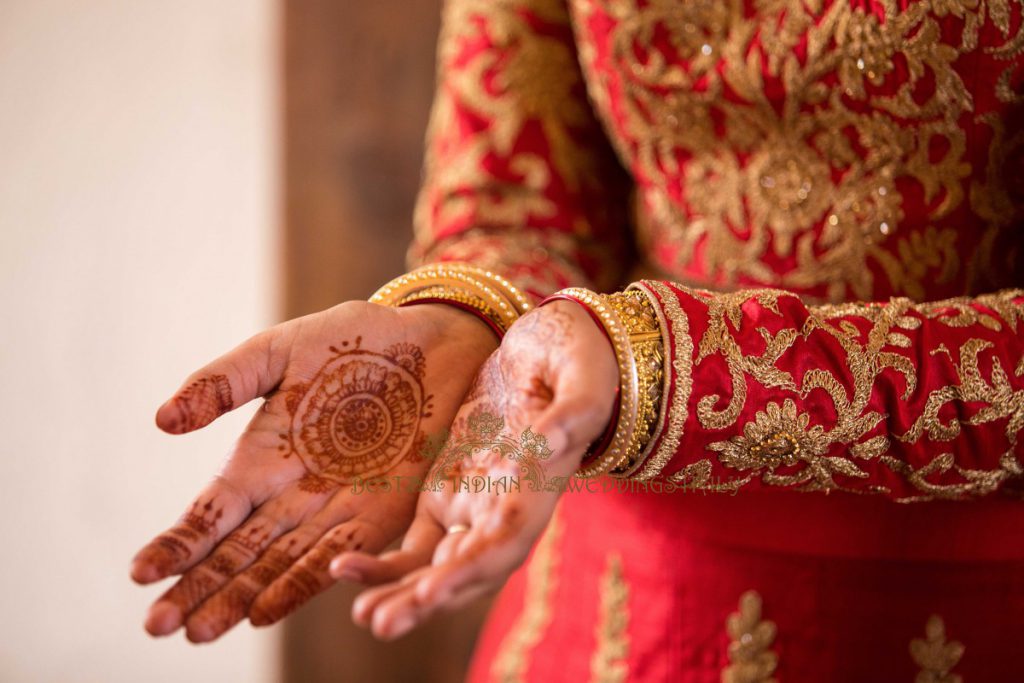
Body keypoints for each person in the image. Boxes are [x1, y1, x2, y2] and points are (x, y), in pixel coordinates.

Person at [132, 0, 1024, 679]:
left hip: (976, 589)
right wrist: (459, 321)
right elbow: (518, 189)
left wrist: (661, 365)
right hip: (619, 587)